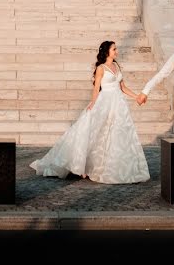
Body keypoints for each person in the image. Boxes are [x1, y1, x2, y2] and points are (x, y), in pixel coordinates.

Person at [30, 41, 149, 184]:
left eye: (116, 49)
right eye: (114, 49)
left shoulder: (116, 66)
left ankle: (112, 166)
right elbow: (97, 88)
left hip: (119, 104)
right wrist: (93, 104)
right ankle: (81, 164)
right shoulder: (101, 68)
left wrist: (136, 96)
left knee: (115, 133)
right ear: (107, 51)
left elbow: (123, 87)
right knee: (94, 132)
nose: (116, 51)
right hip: (105, 102)